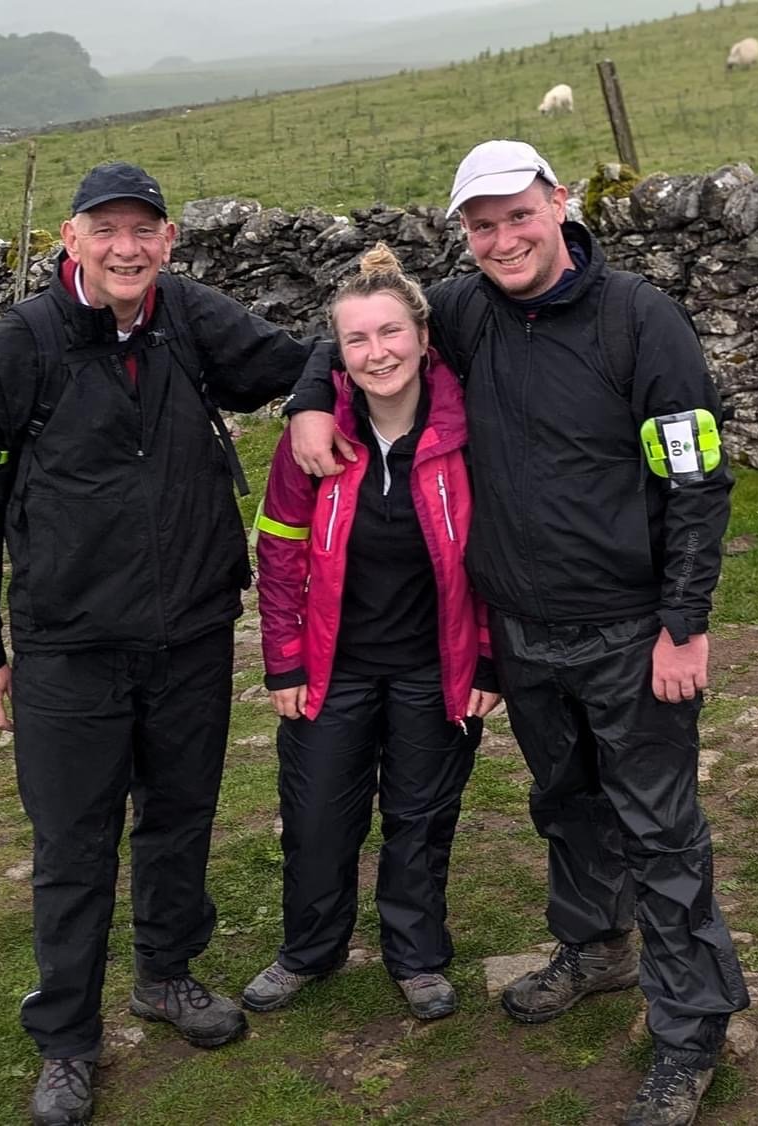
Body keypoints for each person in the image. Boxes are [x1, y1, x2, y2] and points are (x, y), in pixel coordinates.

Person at [287, 140, 750, 1126]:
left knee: (659, 829)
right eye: (481, 225)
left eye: (518, 215)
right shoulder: (464, 312)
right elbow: (365, 332)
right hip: (523, 632)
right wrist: (305, 403)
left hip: (628, 630)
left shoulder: (641, 319)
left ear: (560, 204)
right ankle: (596, 948)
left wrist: (684, 623)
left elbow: (697, 476)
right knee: (568, 803)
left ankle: (690, 1032)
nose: (502, 239)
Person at [0, 161, 324, 1126]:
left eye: (143, 229)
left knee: (181, 815)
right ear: (69, 239)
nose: (126, 248)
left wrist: (319, 398)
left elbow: (300, 361)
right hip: (69, 647)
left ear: (169, 239)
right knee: (73, 845)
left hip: (192, 630)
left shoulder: (189, 317)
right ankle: (67, 1039)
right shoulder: (17, 350)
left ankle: (165, 974)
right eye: (105, 229)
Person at [246, 243, 500, 1022]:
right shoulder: (312, 439)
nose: (377, 352)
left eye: (391, 333)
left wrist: (488, 660)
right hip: (334, 667)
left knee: (420, 820)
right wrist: (284, 661)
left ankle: (416, 956)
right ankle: (309, 951)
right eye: (356, 339)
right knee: (318, 817)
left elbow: (501, 554)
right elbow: (279, 551)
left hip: (436, 665)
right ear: (338, 353)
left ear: (423, 338)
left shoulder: (471, 429)